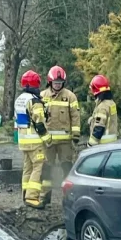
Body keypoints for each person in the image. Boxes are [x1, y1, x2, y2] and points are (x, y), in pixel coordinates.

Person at [40, 65, 80, 197]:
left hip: (65, 141)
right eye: (55, 82)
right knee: (46, 168)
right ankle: (45, 196)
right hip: (48, 142)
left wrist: (75, 135)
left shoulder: (70, 96)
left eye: (60, 82)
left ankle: (68, 195)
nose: (58, 85)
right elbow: (37, 117)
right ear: (50, 82)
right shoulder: (42, 96)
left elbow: (75, 116)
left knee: (67, 167)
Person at [16, 70, 52, 208]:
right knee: (39, 168)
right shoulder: (34, 101)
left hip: (23, 141)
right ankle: (32, 197)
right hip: (35, 142)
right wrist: (48, 139)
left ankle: (25, 194)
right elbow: (39, 124)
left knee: (28, 168)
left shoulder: (20, 99)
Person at [87, 74, 118, 146]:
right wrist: (93, 120)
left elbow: (99, 127)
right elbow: (108, 121)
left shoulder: (102, 107)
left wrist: (91, 144)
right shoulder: (111, 103)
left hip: (103, 145)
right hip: (112, 143)